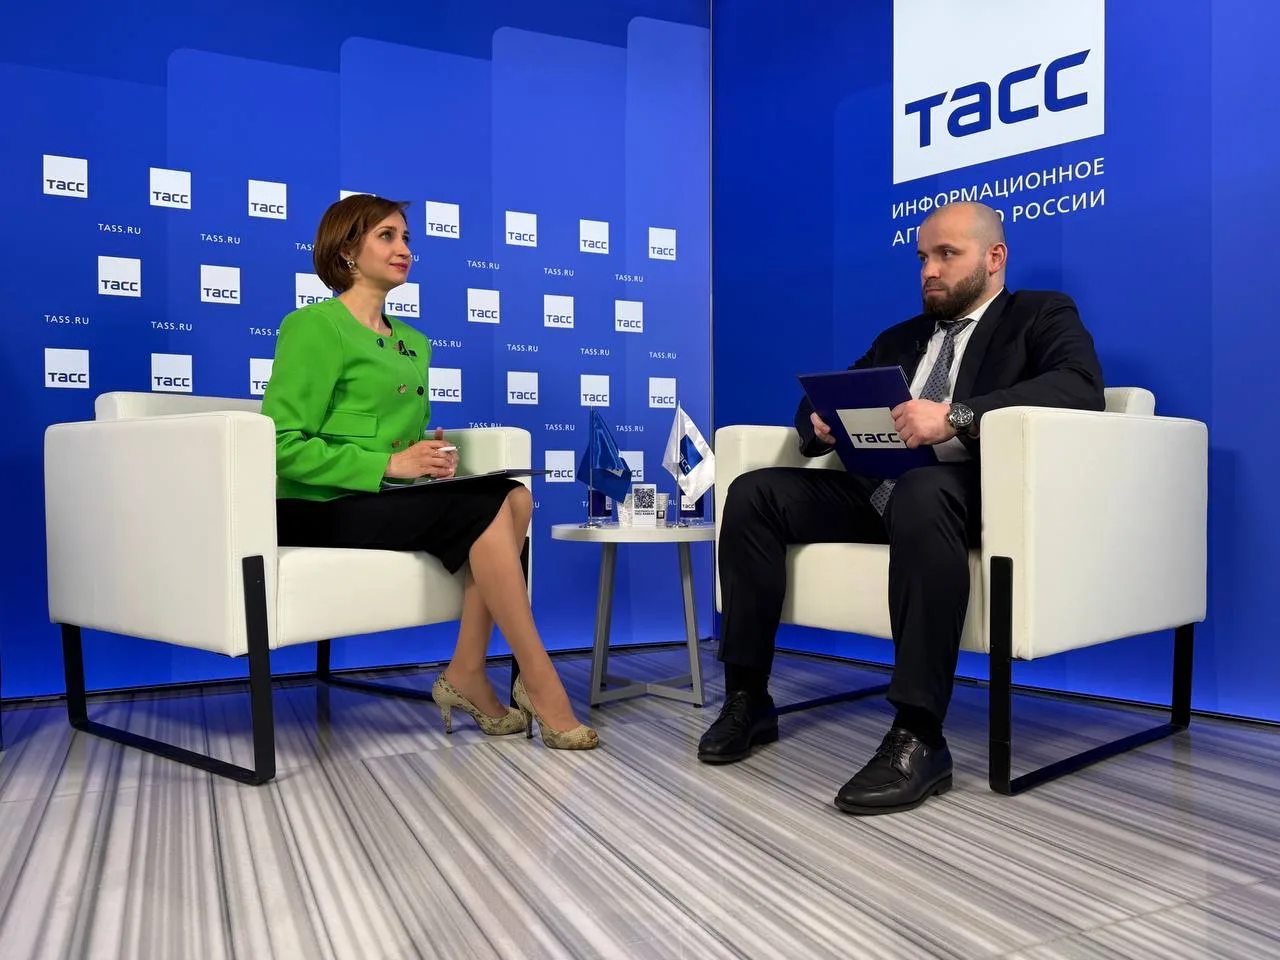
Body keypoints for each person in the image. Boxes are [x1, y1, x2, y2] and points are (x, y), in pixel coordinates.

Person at [697, 201, 1105, 813]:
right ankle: (747, 698)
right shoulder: (901, 337)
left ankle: (919, 735)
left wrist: (956, 417)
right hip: (882, 490)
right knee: (755, 492)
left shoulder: (1039, 314)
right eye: (922, 258)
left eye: (947, 255)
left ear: (994, 258)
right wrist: (818, 423)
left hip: (968, 493)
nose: (929, 271)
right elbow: (825, 398)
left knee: (923, 489)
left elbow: (1080, 386)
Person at [261, 194, 598, 751]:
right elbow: (279, 444)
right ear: (346, 251)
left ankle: (467, 671)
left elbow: (392, 436)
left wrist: (426, 454)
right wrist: (390, 463)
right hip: (317, 506)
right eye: (386, 236)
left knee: (514, 496)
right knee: (492, 504)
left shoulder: (413, 343)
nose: (404, 249)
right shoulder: (313, 327)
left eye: (406, 238)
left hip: (383, 498)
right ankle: (538, 681)